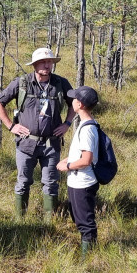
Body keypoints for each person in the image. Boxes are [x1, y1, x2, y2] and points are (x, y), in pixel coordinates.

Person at [0, 48, 76, 217]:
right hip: (26, 144)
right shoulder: (22, 82)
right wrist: (11, 126)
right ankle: (21, 222)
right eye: (42, 62)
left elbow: (74, 103)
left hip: (51, 144)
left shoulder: (60, 83)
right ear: (34, 65)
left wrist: (67, 123)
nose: (47, 65)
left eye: (49, 62)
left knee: (51, 183)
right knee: (23, 182)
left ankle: (49, 223)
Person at [56, 86, 100, 255]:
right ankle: (87, 250)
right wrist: (68, 159)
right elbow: (83, 154)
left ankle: (88, 258)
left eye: (74, 99)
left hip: (83, 182)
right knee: (78, 217)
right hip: (76, 181)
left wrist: (66, 166)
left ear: (80, 104)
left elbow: (86, 160)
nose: (72, 101)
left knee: (85, 222)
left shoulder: (87, 129)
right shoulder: (85, 124)